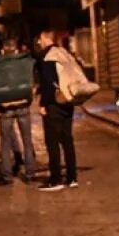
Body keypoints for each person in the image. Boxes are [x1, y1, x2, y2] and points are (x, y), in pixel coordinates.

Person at [0, 38, 38, 184]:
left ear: (3, 50)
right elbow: (31, 82)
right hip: (23, 105)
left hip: (4, 108)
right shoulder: (24, 62)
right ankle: (30, 174)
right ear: (16, 50)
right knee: (27, 141)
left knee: (5, 143)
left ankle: (7, 175)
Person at [36, 30, 78, 191]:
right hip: (68, 100)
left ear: (46, 39)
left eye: (40, 39)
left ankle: (55, 180)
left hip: (54, 103)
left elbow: (47, 83)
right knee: (67, 139)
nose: (39, 42)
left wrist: (43, 104)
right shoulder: (64, 53)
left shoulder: (46, 56)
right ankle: (72, 177)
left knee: (52, 141)